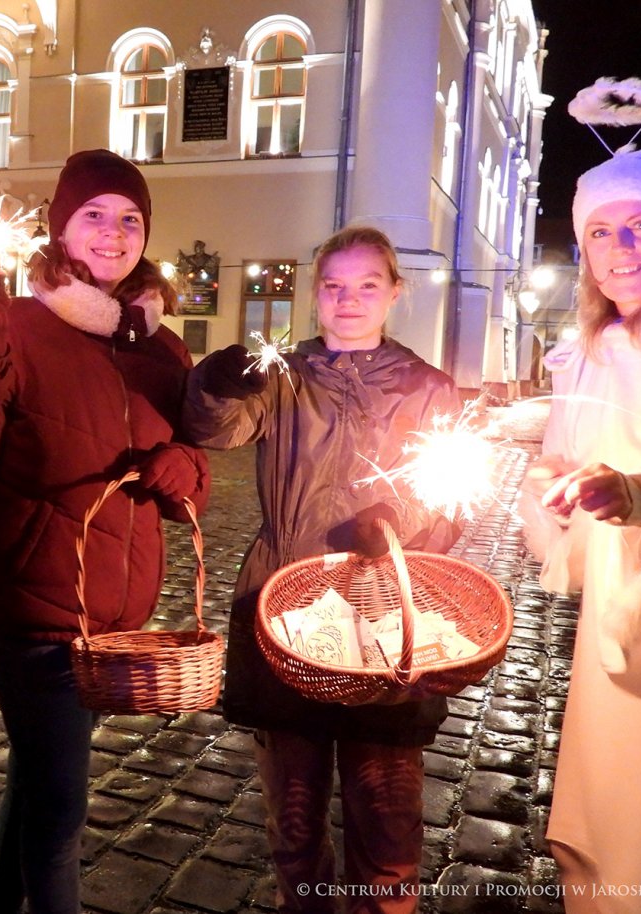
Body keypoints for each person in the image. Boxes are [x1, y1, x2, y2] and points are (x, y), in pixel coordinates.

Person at [0, 148, 210, 914]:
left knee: (39, 786)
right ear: (59, 228)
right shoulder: (13, 327)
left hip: (115, 617)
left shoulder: (162, 349)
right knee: (61, 810)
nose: (113, 233)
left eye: (130, 219)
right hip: (35, 611)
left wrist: (183, 472)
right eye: (94, 216)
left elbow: (194, 470)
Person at [183, 225, 461, 913]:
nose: (349, 299)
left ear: (395, 292)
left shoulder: (428, 387)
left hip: (383, 623)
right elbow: (218, 429)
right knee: (296, 817)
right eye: (334, 286)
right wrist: (215, 382)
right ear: (316, 293)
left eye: (367, 285)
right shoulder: (284, 376)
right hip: (285, 612)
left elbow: (455, 498)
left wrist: (406, 530)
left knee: (387, 819)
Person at [517, 146, 641, 912]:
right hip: (613, 626)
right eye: (600, 232)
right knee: (603, 821)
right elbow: (565, 459)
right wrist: (556, 495)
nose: (619, 249)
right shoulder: (595, 346)